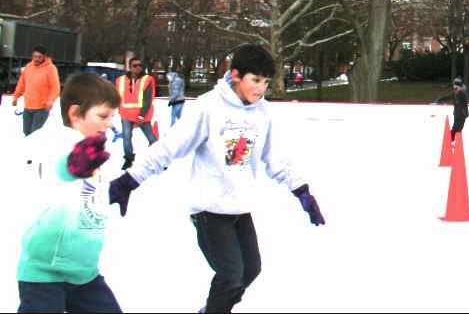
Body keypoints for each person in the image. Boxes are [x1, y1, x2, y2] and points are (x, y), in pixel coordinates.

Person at [108, 43, 325, 314]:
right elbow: (170, 147)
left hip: (239, 206)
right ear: (235, 75)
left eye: (266, 82)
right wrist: (130, 179)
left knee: (251, 270)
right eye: (255, 80)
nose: (260, 89)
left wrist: (302, 191)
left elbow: (275, 159)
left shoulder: (263, 112)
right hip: (209, 209)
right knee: (231, 275)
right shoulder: (208, 107)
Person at [17, 73, 122, 313]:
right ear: (75, 114)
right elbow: (55, 170)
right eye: (103, 116)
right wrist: (71, 166)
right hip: (45, 274)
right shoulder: (54, 142)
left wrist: (113, 191)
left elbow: (88, 193)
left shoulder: (95, 151)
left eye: (112, 117)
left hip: (85, 272)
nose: (109, 123)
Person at [116, 54, 158, 170]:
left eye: (140, 65)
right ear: (130, 67)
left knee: (152, 138)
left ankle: (159, 158)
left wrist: (141, 116)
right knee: (126, 137)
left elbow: (147, 100)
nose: (138, 67)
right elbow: (117, 97)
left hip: (142, 115)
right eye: (135, 65)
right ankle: (129, 158)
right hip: (126, 114)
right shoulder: (120, 81)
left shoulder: (147, 80)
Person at [11, 45, 60, 137]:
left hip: (42, 108)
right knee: (26, 132)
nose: (36, 59)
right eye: (34, 56)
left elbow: (55, 87)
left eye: (39, 57)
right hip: (28, 107)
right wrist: (15, 96)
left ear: (44, 56)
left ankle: (33, 151)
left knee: (34, 134)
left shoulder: (51, 68)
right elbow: (21, 83)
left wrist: (50, 101)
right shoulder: (28, 67)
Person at [435, 78, 469, 143]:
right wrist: (440, 100)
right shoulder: (456, 92)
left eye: (455, 85)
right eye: (454, 85)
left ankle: (451, 140)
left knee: (458, 128)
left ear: (458, 86)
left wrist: (465, 113)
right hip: (457, 113)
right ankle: (450, 140)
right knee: (456, 128)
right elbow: (449, 97)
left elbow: (465, 104)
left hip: (461, 114)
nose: (454, 86)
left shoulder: (461, 93)